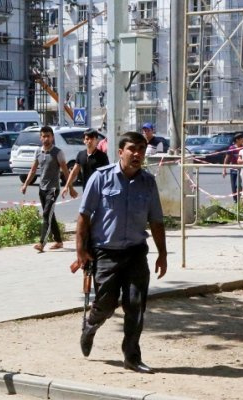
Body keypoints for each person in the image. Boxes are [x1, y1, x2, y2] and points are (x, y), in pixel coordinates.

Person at [76, 131, 167, 374]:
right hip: (106, 252)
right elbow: (84, 216)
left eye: (141, 149)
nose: (137, 154)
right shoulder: (101, 178)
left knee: (135, 305)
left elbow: (156, 221)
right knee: (106, 304)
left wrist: (163, 254)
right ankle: (91, 324)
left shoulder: (148, 182)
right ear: (120, 152)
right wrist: (80, 250)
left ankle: (132, 357)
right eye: (132, 149)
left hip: (136, 252)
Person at [20, 126, 70, 252]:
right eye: (44, 136)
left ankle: (42, 243)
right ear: (40, 138)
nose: (46, 139)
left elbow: (65, 171)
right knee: (50, 215)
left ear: (52, 137)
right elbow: (33, 170)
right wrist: (25, 184)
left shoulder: (58, 152)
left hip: (53, 189)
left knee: (46, 214)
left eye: (48, 136)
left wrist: (69, 187)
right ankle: (59, 241)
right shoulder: (38, 152)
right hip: (42, 188)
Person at [61, 129, 109, 199]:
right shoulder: (81, 155)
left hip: (99, 192)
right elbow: (74, 172)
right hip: (86, 190)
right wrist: (66, 186)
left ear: (96, 140)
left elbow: (107, 174)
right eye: (87, 139)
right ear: (84, 140)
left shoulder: (102, 156)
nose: (89, 141)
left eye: (92, 139)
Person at [222, 133, 243, 203]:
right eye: (242, 139)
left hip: (241, 169)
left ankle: (241, 199)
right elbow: (227, 159)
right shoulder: (232, 148)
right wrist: (224, 169)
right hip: (233, 169)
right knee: (233, 186)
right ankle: (235, 200)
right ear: (237, 140)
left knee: (238, 185)